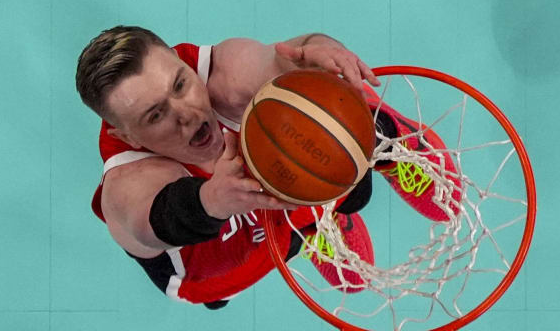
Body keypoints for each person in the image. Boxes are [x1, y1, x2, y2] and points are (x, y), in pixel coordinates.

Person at [75, 25, 457, 309]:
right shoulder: (128, 186)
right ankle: (309, 227)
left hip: (250, 174)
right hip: (207, 257)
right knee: (234, 273)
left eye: (179, 85)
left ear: (182, 62)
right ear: (128, 137)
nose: (187, 114)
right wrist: (210, 201)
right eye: (156, 114)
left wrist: (325, 50)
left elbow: (298, 53)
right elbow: (161, 219)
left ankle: (385, 137)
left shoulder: (226, 74)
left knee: (318, 103)